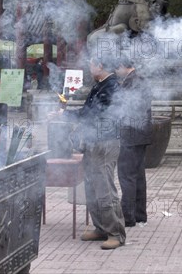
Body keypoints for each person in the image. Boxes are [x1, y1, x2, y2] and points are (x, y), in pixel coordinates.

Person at [55, 54, 126, 249]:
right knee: (92, 187)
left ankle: (116, 233)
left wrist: (65, 114)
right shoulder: (99, 84)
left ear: (100, 66)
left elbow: (91, 114)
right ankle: (101, 227)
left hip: (105, 142)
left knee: (104, 188)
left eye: (91, 64)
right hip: (93, 142)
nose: (89, 68)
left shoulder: (111, 87)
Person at [114, 58, 152, 227]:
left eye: (117, 68)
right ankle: (139, 214)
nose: (116, 71)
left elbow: (129, 109)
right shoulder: (140, 80)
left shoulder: (133, 82)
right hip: (140, 135)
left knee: (127, 176)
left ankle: (128, 216)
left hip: (130, 134)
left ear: (124, 67)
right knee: (138, 175)